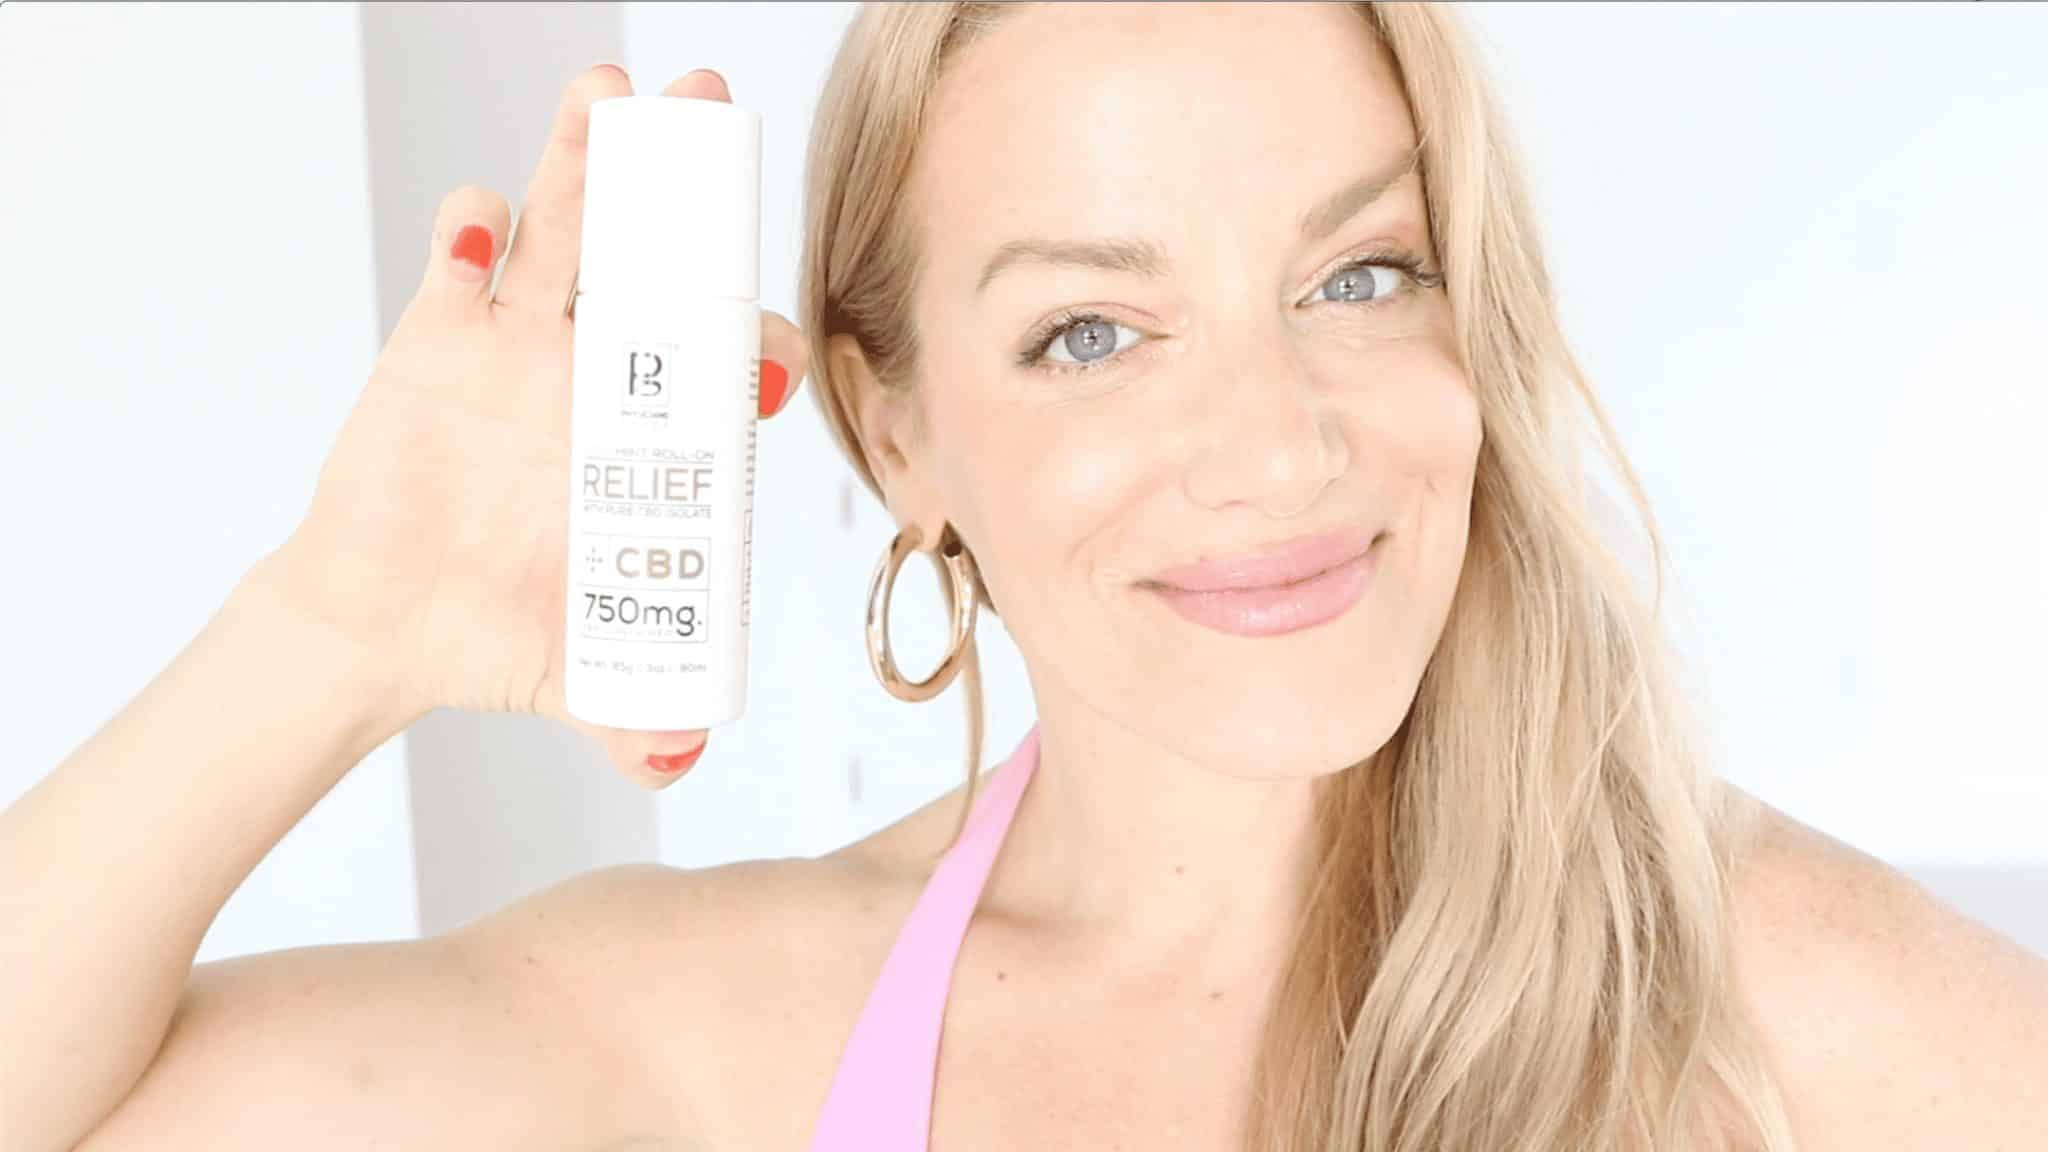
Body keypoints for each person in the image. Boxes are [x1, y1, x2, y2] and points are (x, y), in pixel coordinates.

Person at [4, 4, 2044, 1150]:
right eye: (1090, 331)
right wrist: (338, 624)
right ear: (894, 435)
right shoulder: (731, 1035)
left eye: (1359, 276)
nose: (1279, 447)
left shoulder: (1764, 996)